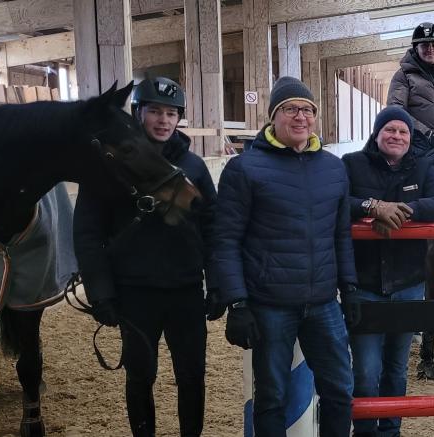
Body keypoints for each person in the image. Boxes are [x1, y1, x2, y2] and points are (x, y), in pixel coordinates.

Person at [73, 77, 219, 437]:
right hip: (135, 295)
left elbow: (213, 228)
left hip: (185, 291)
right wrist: (101, 292)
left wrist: (217, 285)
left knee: (192, 376)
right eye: (155, 111)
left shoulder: (195, 168)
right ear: (138, 113)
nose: (164, 120)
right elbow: (88, 234)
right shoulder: (108, 165)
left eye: (171, 113)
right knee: (140, 375)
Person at [212, 76, 357, 437]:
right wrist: (237, 303)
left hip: (324, 302)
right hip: (270, 303)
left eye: (308, 110)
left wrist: (349, 288)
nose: (301, 117)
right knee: (271, 396)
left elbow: (340, 234)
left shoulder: (333, 168)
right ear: (273, 116)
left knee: (339, 390)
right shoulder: (244, 169)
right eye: (290, 109)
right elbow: (226, 239)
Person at [342, 105, 434, 436]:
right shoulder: (352, 165)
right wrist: (371, 207)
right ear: (377, 133)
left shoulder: (421, 168)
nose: (396, 136)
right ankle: (365, 431)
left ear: (410, 139)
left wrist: (409, 211)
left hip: (408, 284)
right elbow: (337, 200)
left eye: (403, 132)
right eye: (390, 130)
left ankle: (390, 430)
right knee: (366, 370)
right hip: (365, 284)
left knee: (396, 367)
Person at [388, 22, 434, 161]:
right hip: (416, 144)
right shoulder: (403, 75)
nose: (430, 49)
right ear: (416, 48)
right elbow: (396, 109)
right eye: (425, 45)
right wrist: (428, 134)